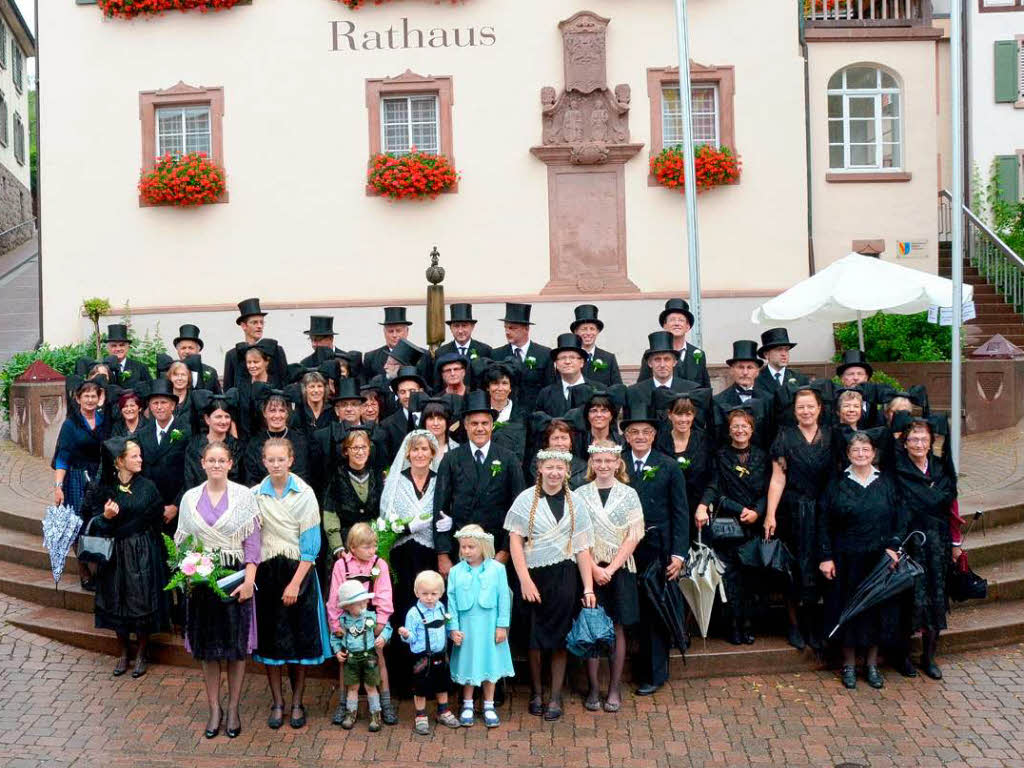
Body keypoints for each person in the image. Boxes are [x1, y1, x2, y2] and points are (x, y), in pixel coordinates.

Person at [176, 441, 262, 739]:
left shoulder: (244, 497)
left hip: (235, 581)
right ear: (202, 463)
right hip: (201, 584)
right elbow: (183, 542)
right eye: (210, 460)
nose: (215, 465)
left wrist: (250, 579)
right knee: (208, 651)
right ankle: (214, 708)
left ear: (229, 464)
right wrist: (186, 570)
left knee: (236, 651)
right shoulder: (189, 498)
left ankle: (234, 708)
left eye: (221, 460)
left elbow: (253, 543)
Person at [505, 449, 596, 721]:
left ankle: (555, 696)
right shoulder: (525, 500)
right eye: (549, 467)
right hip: (533, 577)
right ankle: (536, 692)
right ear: (540, 469)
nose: (555, 472)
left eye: (560, 468)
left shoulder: (575, 502)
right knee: (534, 638)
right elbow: (515, 541)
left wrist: (588, 587)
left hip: (564, 578)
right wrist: (524, 580)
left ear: (567, 472)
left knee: (559, 637)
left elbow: (582, 549)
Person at [252, 439, 331, 730]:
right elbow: (251, 538)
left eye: (280, 459)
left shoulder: (306, 494)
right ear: (264, 462)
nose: (276, 464)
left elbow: (311, 546)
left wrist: (296, 584)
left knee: (299, 642)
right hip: (268, 573)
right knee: (272, 644)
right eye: (270, 460)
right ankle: (277, 702)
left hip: (299, 573)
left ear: (291, 459)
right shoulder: (255, 496)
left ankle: (297, 702)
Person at [818, 432, 906, 690]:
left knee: (875, 611)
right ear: (847, 454)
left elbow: (901, 517)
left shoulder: (887, 483)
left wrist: (894, 547)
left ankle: (871, 665)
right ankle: (848, 665)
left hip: (878, 560)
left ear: (873, 453)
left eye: (865, 449)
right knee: (848, 610)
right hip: (846, 558)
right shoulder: (836, 484)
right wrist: (825, 557)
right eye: (855, 450)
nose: (860, 454)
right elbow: (823, 522)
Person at [81, 438, 170, 678]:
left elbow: (157, 518)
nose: (140, 459)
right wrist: (106, 518)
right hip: (113, 555)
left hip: (141, 551)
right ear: (119, 461)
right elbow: (92, 520)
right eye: (134, 456)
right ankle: (123, 652)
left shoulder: (148, 487)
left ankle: (142, 652)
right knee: (114, 600)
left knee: (141, 601)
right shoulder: (104, 488)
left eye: (140, 455)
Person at [621, 398, 688, 694]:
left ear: (653, 435)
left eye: (645, 432)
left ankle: (655, 674)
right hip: (622, 550)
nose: (639, 437)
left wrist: (678, 553)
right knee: (628, 611)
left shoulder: (669, 466)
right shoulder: (617, 463)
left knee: (654, 613)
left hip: (657, 551)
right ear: (625, 435)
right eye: (634, 431)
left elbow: (680, 512)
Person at [378, 430, 452, 697]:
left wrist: (446, 524)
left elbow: (446, 508)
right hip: (403, 556)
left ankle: (432, 681)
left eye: (425, 450)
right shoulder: (396, 482)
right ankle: (402, 681)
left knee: (431, 614)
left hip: (430, 556)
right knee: (405, 614)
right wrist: (410, 525)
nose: (420, 454)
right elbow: (385, 522)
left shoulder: (439, 480)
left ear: (433, 453)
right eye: (415, 449)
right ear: (408, 453)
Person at [763, 387, 834, 650]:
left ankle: (814, 625)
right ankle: (793, 625)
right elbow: (777, 478)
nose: (806, 411)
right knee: (793, 571)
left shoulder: (831, 436)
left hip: (824, 511)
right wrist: (770, 514)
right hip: (793, 511)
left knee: (820, 567)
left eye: (810, 406)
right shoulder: (784, 438)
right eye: (801, 407)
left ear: (819, 409)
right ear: (795, 411)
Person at [576, 441, 643, 713]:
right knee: (593, 627)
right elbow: (577, 534)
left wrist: (611, 568)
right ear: (591, 463)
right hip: (589, 568)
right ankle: (593, 687)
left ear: (618, 463)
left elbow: (634, 534)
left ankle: (614, 688)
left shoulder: (629, 494)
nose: (603, 466)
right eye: (598, 461)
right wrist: (594, 568)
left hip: (619, 568)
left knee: (617, 628)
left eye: (608, 461)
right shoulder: (580, 494)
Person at [434, 391, 525, 578]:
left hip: (496, 549)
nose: (480, 428)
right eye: (474, 424)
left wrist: (505, 552)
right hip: (461, 548)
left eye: (484, 423)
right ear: (466, 426)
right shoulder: (452, 459)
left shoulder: (508, 459)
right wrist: (442, 554)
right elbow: (440, 508)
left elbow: (518, 509)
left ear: (492, 425)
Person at [697, 408, 770, 645]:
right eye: (735, 426)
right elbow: (715, 489)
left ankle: (748, 625)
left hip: (753, 526)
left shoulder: (761, 456)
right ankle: (733, 626)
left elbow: (767, 490)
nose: (740, 430)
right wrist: (740, 510)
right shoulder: (720, 456)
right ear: (729, 430)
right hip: (729, 526)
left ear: (752, 429)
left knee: (751, 579)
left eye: (744, 426)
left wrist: (757, 511)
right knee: (730, 580)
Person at [893, 419, 955, 680]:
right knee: (909, 601)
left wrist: (956, 544)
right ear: (905, 443)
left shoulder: (941, 470)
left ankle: (929, 658)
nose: (919, 444)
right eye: (913, 439)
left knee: (936, 598)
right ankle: (903, 657)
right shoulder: (897, 471)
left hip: (938, 543)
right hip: (910, 542)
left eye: (923, 440)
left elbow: (951, 506)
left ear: (931, 443)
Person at [326, 523, 397, 727]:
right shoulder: (343, 566)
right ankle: (344, 704)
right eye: (366, 547)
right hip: (347, 620)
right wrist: (336, 625)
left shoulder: (378, 565)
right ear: (353, 547)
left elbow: (384, 593)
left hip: (372, 618)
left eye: (374, 546)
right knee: (346, 661)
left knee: (378, 658)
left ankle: (385, 703)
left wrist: (381, 623)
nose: (372, 551)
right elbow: (334, 597)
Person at [447, 524, 515, 728]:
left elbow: (504, 598)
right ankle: (467, 703)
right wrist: (453, 627)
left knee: (489, 663)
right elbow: (451, 601)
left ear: (483, 546)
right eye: (463, 547)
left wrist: (502, 626)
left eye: (471, 547)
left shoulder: (497, 570)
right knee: (469, 662)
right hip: (466, 626)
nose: (466, 551)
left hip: (489, 625)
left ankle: (488, 704)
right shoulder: (455, 571)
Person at [52, 376, 109, 587]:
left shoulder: (105, 421)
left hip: (99, 477)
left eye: (94, 396)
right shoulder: (70, 424)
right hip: (76, 478)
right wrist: (58, 487)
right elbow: (62, 457)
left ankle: (99, 566)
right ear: (78, 398)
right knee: (77, 524)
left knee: (99, 522)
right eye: (86, 396)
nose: (90, 400)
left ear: (99, 398)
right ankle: (84, 569)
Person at [398, 570, 462, 735]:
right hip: (422, 658)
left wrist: (452, 633)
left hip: (441, 654)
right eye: (424, 593)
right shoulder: (413, 613)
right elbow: (411, 637)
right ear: (416, 592)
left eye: (434, 593)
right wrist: (406, 635)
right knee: (421, 687)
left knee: (442, 684)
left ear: (441, 593)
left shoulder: (441, 608)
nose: (429, 597)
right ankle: (420, 715)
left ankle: (443, 711)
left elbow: (447, 625)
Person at [330, 579, 390, 732]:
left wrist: (383, 638)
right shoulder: (343, 621)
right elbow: (335, 636)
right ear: (348, 606)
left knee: (371, 686)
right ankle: (350, 714)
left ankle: (376, 714)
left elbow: (387, 627)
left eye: (365, 602)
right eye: (359, 604)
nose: (364, 606)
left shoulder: (370, 617)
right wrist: (337, 651)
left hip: (369, 657)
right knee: (353, 687)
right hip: (351, 659)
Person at [136, 379, 191, 535]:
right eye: (155, 403)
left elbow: (191, 474)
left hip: (177, 508)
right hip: (150, 507)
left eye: (163, 402)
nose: (159, 407)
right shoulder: (142, 433)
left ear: (173, 405)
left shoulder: (186, 432)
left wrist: (176, 505)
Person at [654, 392, 714, 529]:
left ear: (694, 415)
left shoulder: (705, 441)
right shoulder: (658, 441)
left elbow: (713, 478)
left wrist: (703, 506)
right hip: (666, 510)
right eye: (679, 414)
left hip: (698, 511)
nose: (683, 419)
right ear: (670, 415)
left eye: (688, 414)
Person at [322, 429, 382, 558]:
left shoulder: (377, 476)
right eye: (355, 448)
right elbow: (330, 515)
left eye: (363, 447)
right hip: (347, 544)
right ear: (346, 451)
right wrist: (338, 547)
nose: (360, 452)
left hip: (373, 543)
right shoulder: (337, 478)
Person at [492, 302, 554, 415]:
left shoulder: (544, 354)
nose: (507, 332)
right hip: (506, 415)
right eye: (505, 327)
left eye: (512, 328)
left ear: (526, 329)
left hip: (535, 414)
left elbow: (549, 388)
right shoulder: (497, 354)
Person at [713, 340, 773, 450]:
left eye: (750, 367)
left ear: (757, 372)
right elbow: (717, 438)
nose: (745, 372)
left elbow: (771, 435)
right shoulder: (718, 401)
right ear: (731, 370)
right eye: (740, 367)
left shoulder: (768, 400)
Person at [636, 299, 710, 388]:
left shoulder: (698, 354)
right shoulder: (652, 353)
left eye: (681, 320)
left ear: (687, 326)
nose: (676, 323)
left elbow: (705, 387)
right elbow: (642, 387)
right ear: (664, 325)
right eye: (672, 320)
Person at [242, 391, 309, 487]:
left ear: (287, 414)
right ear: (264, 413)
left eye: (282, 411)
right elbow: (251, 478)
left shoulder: (299, 441)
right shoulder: (255, 443)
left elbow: (301, 475)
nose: (277, 415)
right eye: (272, 410)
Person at [223, 298, 288, 389]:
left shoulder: (275, 350)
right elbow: (228, 388)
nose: (259, 326)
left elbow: (285, 382)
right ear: (244, 326)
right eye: (254, 322)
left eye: (261, 322)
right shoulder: (233, 355)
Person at [184, 395, 242, 490]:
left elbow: (239, 479)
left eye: (227, 417)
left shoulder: (236, 446)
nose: (223, 421)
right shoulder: (194, 445)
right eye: (218, 417)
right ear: (207, 419)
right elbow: (190, 478)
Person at [629, 332, 701, 409]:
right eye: (657, 359)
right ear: (650, 363)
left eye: (667, 359)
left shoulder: (690, 390)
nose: (662, 365)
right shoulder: (634, 392)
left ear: (674, 362)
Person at [363, 306, 432, 384]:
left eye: (398, 331)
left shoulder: (423, 356)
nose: (394, 335)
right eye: (390, 331)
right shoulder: (372, 357)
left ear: (407, 331)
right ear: (384, 333)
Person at [375, 365, 427, 464]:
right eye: (402, 392)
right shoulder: (387, 425)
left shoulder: (431, 419)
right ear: (398, 395)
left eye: (412, 391)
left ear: (421, 391)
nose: (407, 396)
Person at [434, 303, 492, 388]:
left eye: (464, 326)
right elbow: (437, 383)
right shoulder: (441, 352)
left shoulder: (485, 350)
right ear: (451, 328)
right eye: (456, 326)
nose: (460, 331)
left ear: (472, 327)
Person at [535, 333, 592, 418]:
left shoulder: (597, 390)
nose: (567, 362)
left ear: (582, 362)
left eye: (572, 357)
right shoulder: (545, 394)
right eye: (562, 358)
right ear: (556, 364)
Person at [527, 418, 588, 490]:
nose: (560, 443)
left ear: (571, 442)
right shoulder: (538, 462)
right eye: (555, 438)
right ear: (548, 442)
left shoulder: (581, 466)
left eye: (564, 438)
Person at [570, 304, 622, 387]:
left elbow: (617, 388)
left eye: (592, 329)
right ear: (576, 332)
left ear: (597, 331)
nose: (588, 333)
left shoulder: (609, 358)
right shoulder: (569, 358)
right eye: (584, 329)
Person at [570, 386, 626, 458]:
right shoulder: (578, 442)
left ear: (611, 416)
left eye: (604, 411)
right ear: (587, 416)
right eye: (594, 411)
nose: (599, 415)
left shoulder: (621, 442)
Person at [173, 324, 222, 393]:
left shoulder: (210, 372)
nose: (187, 351)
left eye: (191, 348)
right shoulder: (170, 371)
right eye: (183, 348)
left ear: (198, 350)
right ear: (178, 350)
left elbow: (218, 398)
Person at [290, 370, 334, 436]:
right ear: (305, 389)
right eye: (312, 386)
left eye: (319, 386)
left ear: (325, 389)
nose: (316, 390)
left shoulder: (331, 411)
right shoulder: (298, 412)